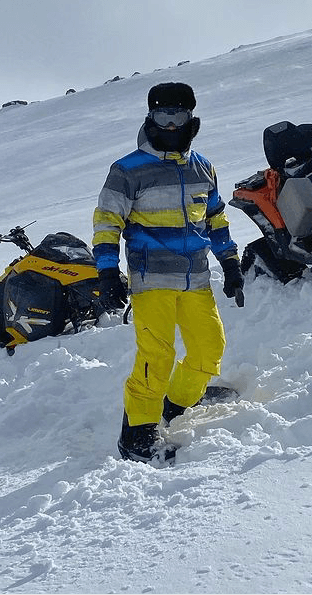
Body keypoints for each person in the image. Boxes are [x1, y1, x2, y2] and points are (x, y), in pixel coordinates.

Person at [92, 82, 244, 464]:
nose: (172, 125)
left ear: (191, 118)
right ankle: (137, 432)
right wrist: (108, 272)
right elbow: (107, 223)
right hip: (152, 279)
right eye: (163, 116)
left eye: (179, 115)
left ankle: (176, 402)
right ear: (151, 118)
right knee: (156, 355)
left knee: (210, 348)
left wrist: (230, 263)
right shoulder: (127, 170)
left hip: (196, 277)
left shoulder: (203, 167)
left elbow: (215, 218)